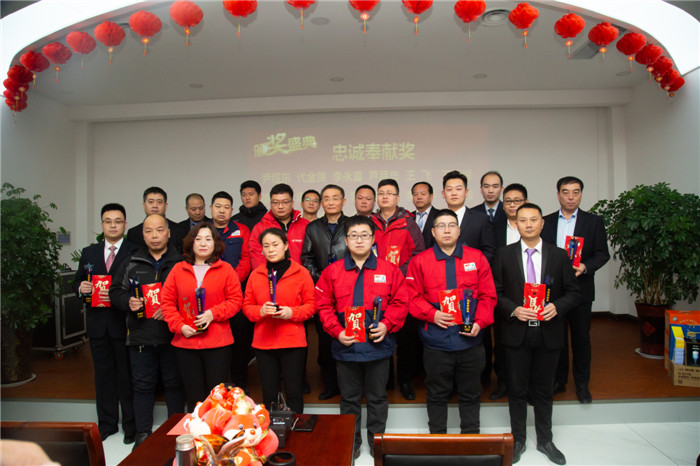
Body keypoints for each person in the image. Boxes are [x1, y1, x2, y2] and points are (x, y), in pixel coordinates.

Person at [492, 203, 581, 465]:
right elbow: (495, 292)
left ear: (543, 223)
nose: (528, 224)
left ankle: (545, 440)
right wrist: (514, 309)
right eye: (523, 220)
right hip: (516, 332)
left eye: (534, 219)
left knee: (544, 390)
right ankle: (518, 440)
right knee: (517, 389)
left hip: (548, 332)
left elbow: (574, 292)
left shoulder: (559, 255)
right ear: (515, 224)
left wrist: (557, 306)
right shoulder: (503, 254)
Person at [316, 215, 409, 459]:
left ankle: (377, 444)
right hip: (346, 347)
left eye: (364, 235)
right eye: (354, 236)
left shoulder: (389, 270)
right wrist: (337, 331)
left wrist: (387, 325)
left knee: (378, 398)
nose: (359, 240)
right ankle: (352, 443)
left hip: (378, 346)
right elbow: (323, 306)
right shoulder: (332, 271)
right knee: (349, 399)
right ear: (346, 240)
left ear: (373, 239)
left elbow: (401, 302)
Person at [407, 209, 496, 435]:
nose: (446, 230)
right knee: (437, 393)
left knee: (471, 392)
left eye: (451, 225)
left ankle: (470, 440)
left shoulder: (476, 258)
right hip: (436, 341)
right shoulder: (420, 261)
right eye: (441, 226)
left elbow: (488, 296)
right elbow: (412, 298)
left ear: (459, 230)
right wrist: (432, 314)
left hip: (471, 340)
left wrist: (480, 322)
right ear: (433, 232)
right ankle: (438, 440)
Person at [110, 214, 185, 449]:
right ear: (142, 235)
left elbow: (191, 296)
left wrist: (172, 309)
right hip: (140, 335)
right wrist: (128, 302)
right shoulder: (131, 262)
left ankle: (175, 433)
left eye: (160, 230)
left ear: (168, 233)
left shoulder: (181, 263)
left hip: (173, 336)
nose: (155, 235)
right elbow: (115, 291)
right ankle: (143, 434)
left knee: (174, 384)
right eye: (149, 231)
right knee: (142, 385)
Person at [73, 203, 138, 443]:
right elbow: (78, 280)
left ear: (125, 224)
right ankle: (107, 423)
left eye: (117, 221)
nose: (113, 226)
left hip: (125, 324)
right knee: (103, 376)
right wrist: (81, 287)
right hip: (98, 324)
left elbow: (139, 284)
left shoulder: (134, 251)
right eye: (108, 221)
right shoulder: (89, 252)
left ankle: (130, 425)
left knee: (127, 376)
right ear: (102, 224)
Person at [542, 176, 610, 404]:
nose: (570, 197)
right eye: (565, 192)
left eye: (575, 192)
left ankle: (582, 385)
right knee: (557, 339)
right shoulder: (546, 221)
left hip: (581, 290)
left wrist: (585, 266)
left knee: (581, 339)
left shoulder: (594, 222)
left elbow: (602, 254)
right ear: (558, 194)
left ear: (581, 194)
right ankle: (558, 381)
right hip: (554, 292)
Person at [161, 223, 243, 410]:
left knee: (218, 398)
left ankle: (217, 429)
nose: (203, 243)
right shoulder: (178, 270)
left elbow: (236, 301)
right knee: (194, 398)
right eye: (198, 239)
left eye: (208, 239)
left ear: (215, 243)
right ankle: (197, 428)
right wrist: (179, 326)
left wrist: (212, 314)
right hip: (186, 343)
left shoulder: (226, 269)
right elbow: (166, 302)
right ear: (191, 243)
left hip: (218, 343)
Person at [243, 228, 315, 413]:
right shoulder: (256, 275)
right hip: (264, 343)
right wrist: (260, 311)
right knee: (269, 393)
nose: (271, 249)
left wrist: (292, 312)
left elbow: (311, 306)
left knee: (294, 392)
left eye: (275, 244)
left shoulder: (301, 273)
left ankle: (296, 427)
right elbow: (247, 307)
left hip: (293, 342)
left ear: (286, 245)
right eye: (266, 246)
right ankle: (271, 430)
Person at [370, 179, 425, 400]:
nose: (385, 197)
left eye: (389, 193)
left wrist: (395, 273)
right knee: (379, 334)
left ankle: (404, 380)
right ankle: (385, 382)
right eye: (381, 193)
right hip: (375, 289)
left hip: (403, 288)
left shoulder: (408, 223)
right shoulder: (369, 222)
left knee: (406, 339)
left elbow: (418, 254)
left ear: (397, 198)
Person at [301, 184, 349, 400]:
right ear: (321, 203)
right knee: (325, 338)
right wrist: (321, 278)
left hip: (349, 288)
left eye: (335, 198)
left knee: (349, 333)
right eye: (326, 199)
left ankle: (349, 384)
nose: (330, 202)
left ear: (343, 201)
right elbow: (307, 257)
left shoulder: (352, 224)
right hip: (323, 290)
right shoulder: (313, 227)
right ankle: (331, 384)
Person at [489, 183, 529, 401]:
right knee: (502, 340)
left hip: (532, 291)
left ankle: (528, 383)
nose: (512, 205)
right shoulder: (493, 227)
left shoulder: (535, 226)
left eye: (517, 201)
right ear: (503, 205)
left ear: (526, 202)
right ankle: (503, 382)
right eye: (508, 201)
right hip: (502, 291)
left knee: (531, 341)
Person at [211, 190, 253, 390]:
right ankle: (216, 388)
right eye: (218, 207)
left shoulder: (241, 230)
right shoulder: (203, 231)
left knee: (239, 340)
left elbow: (246, 258)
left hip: (236, 293)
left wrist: (230, 281)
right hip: (210, 295)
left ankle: (240, 385)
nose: (222, 211)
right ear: (211, 208)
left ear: (232, 210)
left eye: (226, 207)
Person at [249, 183, 309, 270]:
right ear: (270, 204)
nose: (280, 206)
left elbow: (312, 256)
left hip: (300, 276)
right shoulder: (260, 228)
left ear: (292, 203)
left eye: (285, 202)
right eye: (275, 202)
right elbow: (256, 257)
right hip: (271, 276)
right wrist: (267, 275)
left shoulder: (306, 225)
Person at [442, 171, 497, 262]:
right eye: (449, 189)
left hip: (473, 269)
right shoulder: (436, 220)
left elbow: (489, 251)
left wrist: (475, 267)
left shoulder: (481, 220)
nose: (454, 193)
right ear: (443, 194)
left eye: (459, 189)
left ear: (466, 192)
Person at [126, 187, 185, 253]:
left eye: (159, 202)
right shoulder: (133, 233)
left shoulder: (179, 231)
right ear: (144, 205)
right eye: (151, 202)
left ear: (165, 206)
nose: (155, 206)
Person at [412, 181, 439, 249]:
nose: (419, 197)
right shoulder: (408, 217)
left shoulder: (440, 216)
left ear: (431, 196)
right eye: (415, 194)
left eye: (423, 194)